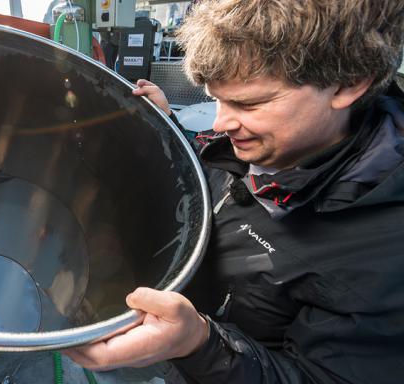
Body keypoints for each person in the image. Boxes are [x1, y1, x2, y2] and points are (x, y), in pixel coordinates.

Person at [65, 0, 404, 383]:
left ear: (348, 83)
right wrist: (172, 130)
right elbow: (220, 176)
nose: (223, 122)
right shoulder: (276, 143)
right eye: (216, 99)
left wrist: (199, 344)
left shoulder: (387, 249)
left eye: (248, 103)